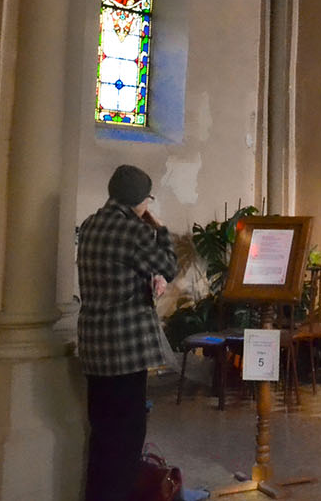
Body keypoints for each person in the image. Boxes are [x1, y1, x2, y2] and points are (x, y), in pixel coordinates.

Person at [77, 164, 178, 501]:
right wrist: (158, 227)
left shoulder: (91, 225)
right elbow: (168, 266)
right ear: (140, 200)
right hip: (125, 350)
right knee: (127, 439)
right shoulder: (131, 231)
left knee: (102, 436)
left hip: (95, 347)